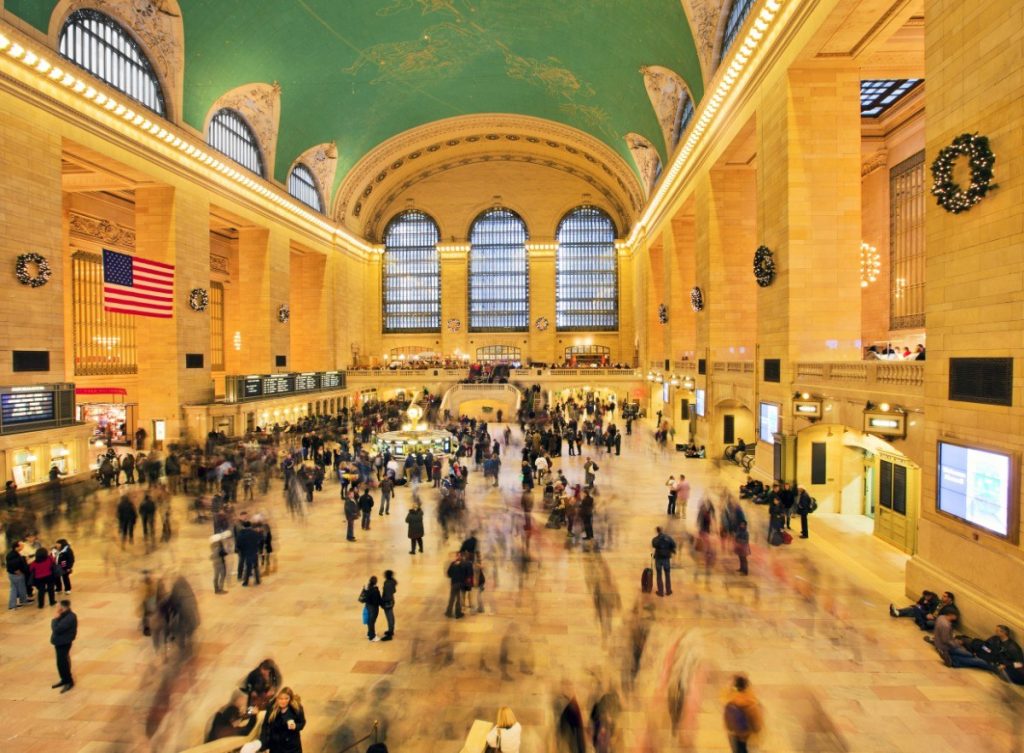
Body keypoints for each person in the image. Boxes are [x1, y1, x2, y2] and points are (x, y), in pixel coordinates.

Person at [723, 674, 763, 753]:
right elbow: (757, 726)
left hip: (736, 735)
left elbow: (728, 724)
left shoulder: (731, 703)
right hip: (748, 737)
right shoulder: (752, 703)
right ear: (746, 686)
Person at [259, 687, 306, 753]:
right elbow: (265, 725)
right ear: (277, 698)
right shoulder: (271, 708)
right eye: (281, 698)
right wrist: (263, 742)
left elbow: (302, 722)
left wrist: (295, 726)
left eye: (286, 698)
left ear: (290, 698)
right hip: (276, 747)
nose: (283, 701)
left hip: (292, 747)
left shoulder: (296, 708)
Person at [50, 599, 77, 692]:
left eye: (58, 606)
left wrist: (55, 619)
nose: (57, 608)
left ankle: (69, 681)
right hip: (59, 642)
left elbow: (56, 629)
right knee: (60, 663)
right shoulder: (64, 615)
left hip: (64, 642)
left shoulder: (69, 617)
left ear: (63, 607)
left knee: (63, 663)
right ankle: (64, 679)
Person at [651, 526, 677, 597]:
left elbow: (653, 545)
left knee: (659, 575)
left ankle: (660, 592)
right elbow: (674, 545)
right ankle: (668, 591)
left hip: (658, 559)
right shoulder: (668, 538)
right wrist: (670, 550)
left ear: (657, 531)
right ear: (662, 530)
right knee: (667, 575)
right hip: (666, 559)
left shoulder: (655, 539)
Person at [236, 520, 261, 587]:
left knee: (248, 567)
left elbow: (238, 544)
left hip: (246, 553)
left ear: (243, 526)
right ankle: (258, 580)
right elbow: (259, 540)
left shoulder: (241, 534)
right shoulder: (254, 533)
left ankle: (246, 582)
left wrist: (241, 550)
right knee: (256, 567)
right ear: (250, 526)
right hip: (254, 552)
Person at [6, 542, 30, 609]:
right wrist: (15, 570)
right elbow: (12, 564)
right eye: (21, 546)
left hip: (13, 574)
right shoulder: (12, 555)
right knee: (20, 588)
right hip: (16, 574)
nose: (22, 547)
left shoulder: (13, 554)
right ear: (16, 547)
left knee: (14, 589)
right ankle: (23, 601)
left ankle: (12, 605)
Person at [445, 551, 465, 619]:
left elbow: (448, 573)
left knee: (452, 598)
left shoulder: (453, 563)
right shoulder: (463, 564)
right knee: (458, 599)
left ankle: (449, 612)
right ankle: (458, 613)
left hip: (454, 583)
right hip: (459, 583)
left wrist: (453, 575)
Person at [363, 574, 382, 641]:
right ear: (375, 582)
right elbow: (377, 600)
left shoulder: (367, 588)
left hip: (367, 606)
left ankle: (369, 633)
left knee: (370, 621)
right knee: (372, 621)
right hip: (373, 608)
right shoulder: (375, 590)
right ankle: (372, 636)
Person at [381, 570, 397, 641]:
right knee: (391, 616)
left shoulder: (387, 583)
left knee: (389, 617)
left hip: (387, 602)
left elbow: (386, 595)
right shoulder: (393, 581)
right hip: (392, 600)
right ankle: (391, 630)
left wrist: (382, 602)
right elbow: (394, 591)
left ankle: (390, 633)